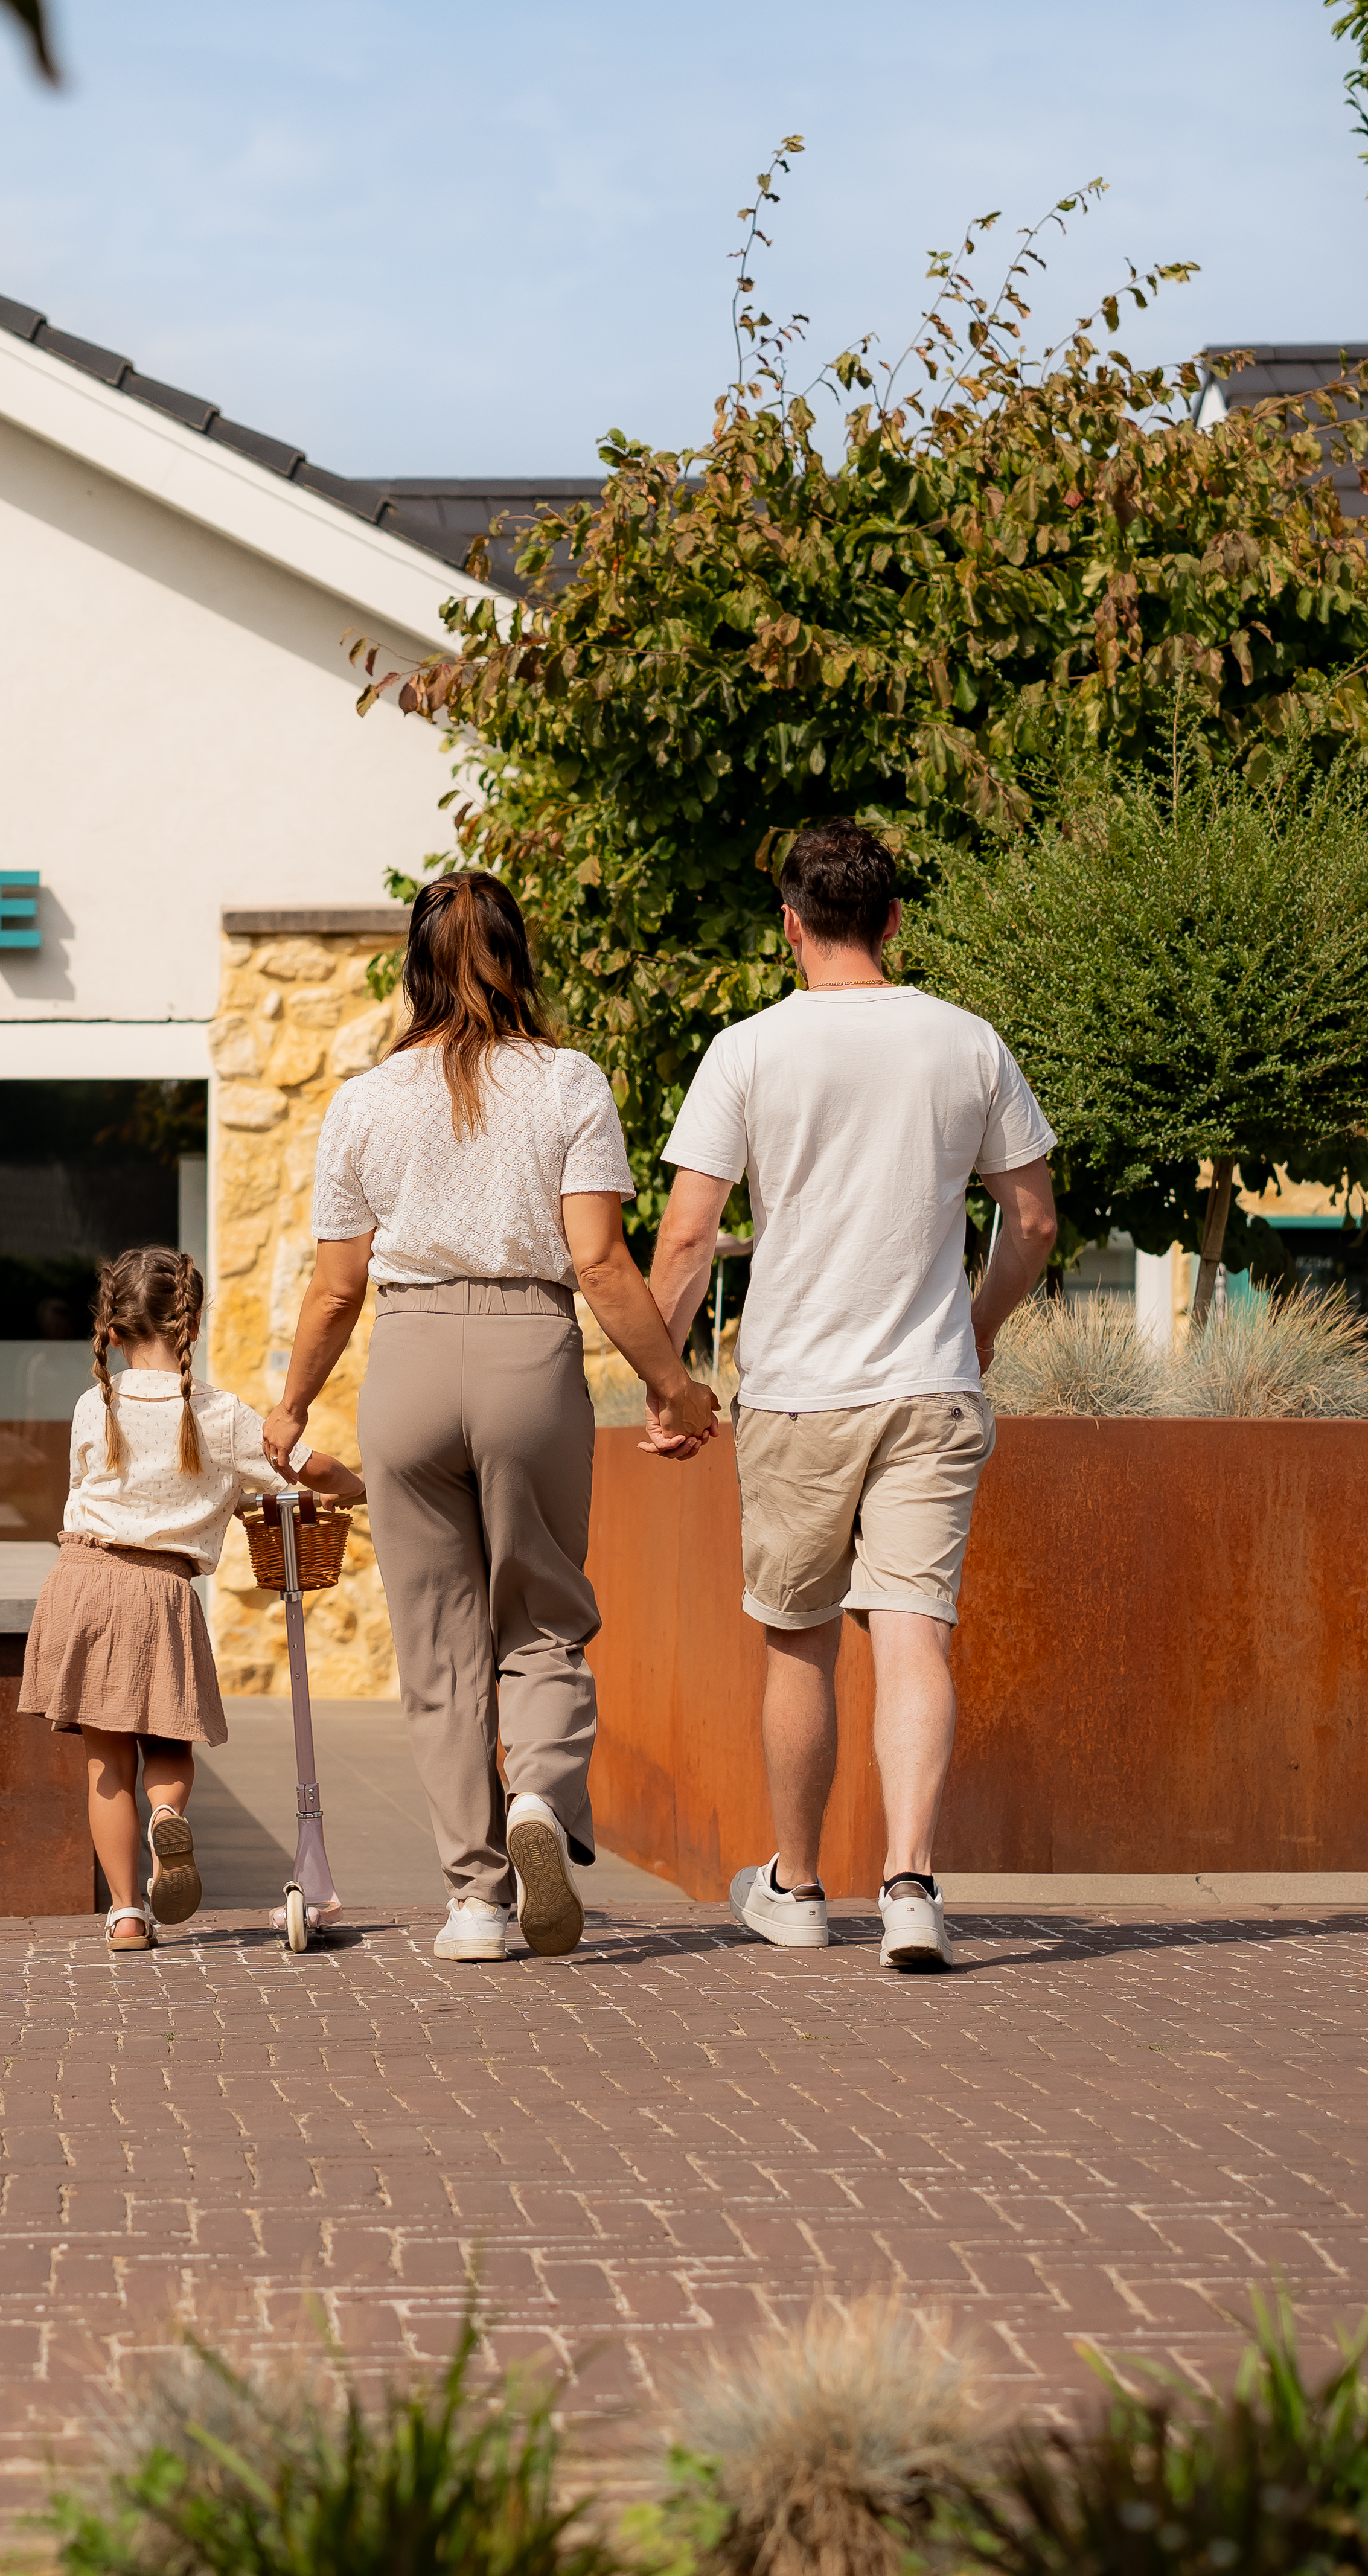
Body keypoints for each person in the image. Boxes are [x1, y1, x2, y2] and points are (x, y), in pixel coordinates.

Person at [268, 869, 716, 1965]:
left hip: (408, 1365)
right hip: (529, 1356)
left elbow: (336, 1286)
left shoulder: (364, 1100)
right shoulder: (570, 1083)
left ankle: (473, 1900)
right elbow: (601, 1265)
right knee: (544, 1613)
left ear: (414, 965)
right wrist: (675, 1385)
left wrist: (289, 1406)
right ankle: (541, 1799)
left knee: (437, 1645)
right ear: (518, 955)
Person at [644, 819, 1058, 1973]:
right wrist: (971, 1331)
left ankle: (797, 1884)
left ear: (791, 926)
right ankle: (913, 1885)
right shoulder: (967, 1042)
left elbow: (684, 1236)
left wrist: (666, 1383)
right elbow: (1030, 1222)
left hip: (797, 1392)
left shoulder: (747, 1049)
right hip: (930, 1381)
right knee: (915, 1629)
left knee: (800, 1641)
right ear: (890, 920)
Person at [19, 1245, 366, 1951]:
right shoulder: (224, 1416)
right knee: (167, 1743)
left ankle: (124, 1914)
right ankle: (165, 1820)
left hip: (82, 1580)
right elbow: (304, 1469)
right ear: (194, 1325)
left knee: (105, 1760)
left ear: (113, 1331)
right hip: (161, 1592)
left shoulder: (96, 1404)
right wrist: (356, 1487)